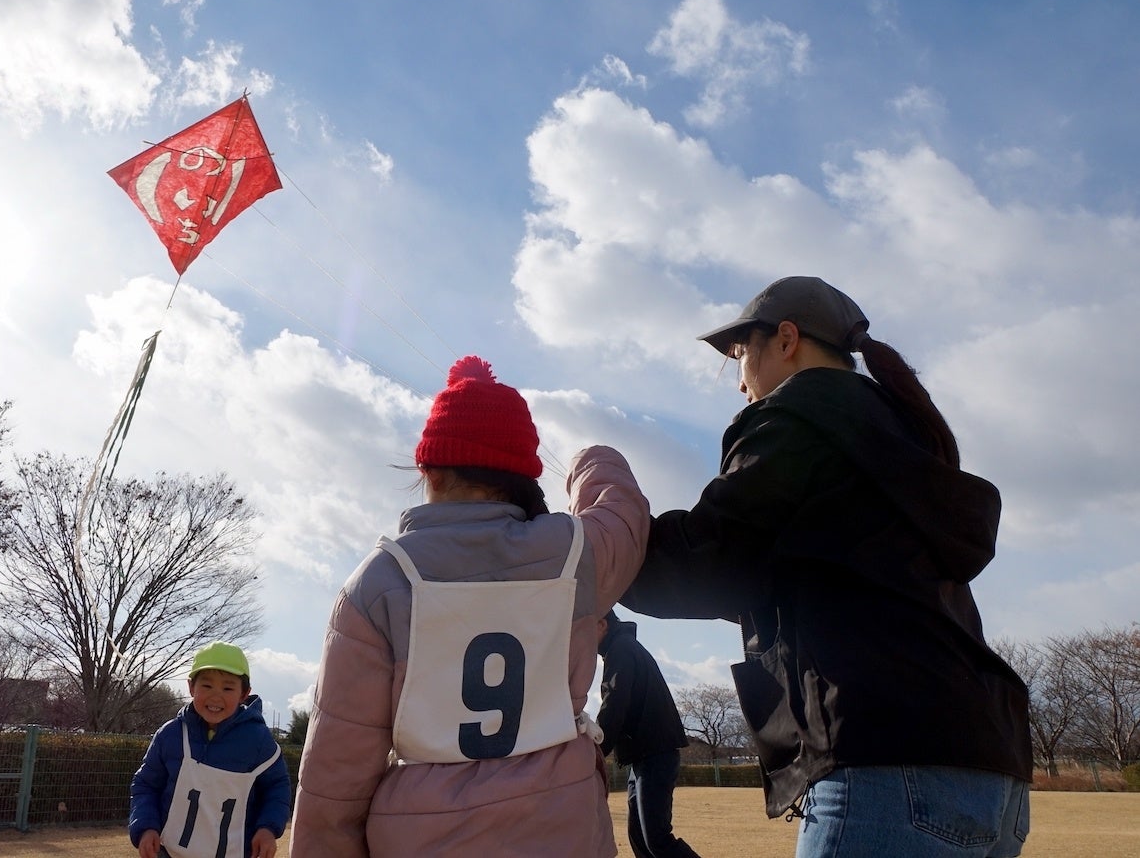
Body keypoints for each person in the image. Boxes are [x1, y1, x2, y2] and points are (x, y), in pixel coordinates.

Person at [622, 276, 1032, 857]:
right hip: (994, 767)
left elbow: (710, 559)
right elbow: (787, 574)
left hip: (887, 766)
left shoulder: (802, 415)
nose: (740, 381)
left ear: (786, 338)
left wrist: (604, 538)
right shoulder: (896, 438)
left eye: (742, 356)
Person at [290, 355, 650, 856]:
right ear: (523, 475)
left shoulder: (378, 581)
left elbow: (336, 772)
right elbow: (624, 515)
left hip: (422, 834)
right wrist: (590, 458)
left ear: (429, 470)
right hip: (561, 827)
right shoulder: (570, 554)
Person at [129, 641, 292, 858]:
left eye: (227, 688)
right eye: (206, 686)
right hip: (169, 852)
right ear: (190, 687)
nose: (216, 696)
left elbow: (277, 788)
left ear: (244, 694)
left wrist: (268, 828)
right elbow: (145, 785)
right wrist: (146, 826)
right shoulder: (170, 735)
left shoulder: (258, 741)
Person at [596, 609, 701, 858]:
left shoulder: (620, 649)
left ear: (601, 624)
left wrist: (596, 751)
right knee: (641, 839)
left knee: (657, 840)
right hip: (644, 755)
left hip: (654, 753)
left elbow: (614, 703)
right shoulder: (624, 646)